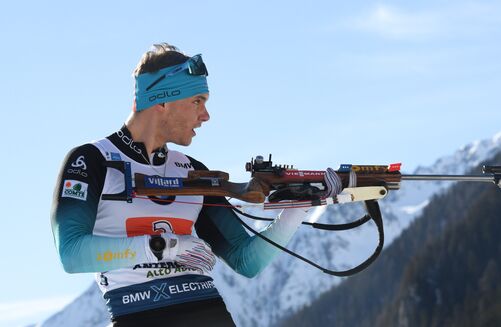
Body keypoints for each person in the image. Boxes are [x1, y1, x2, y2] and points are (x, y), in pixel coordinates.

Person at [50, 43, 317, 326]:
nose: (206, 115)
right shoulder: (91, 160)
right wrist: (167, 247)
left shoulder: (191, 170)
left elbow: (246, 260)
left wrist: (297, 210)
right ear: (163, 102)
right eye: (197, 101)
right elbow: (71, 254)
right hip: (139, 314)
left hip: (209, 312)